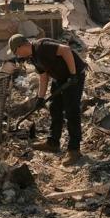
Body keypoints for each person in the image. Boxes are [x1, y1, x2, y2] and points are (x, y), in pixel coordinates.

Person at [8, 34, 87, 166]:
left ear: (22, 46)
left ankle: (74, 150)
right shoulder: (33, 57)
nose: (17, 55)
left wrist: (73, 74)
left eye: (16, 51)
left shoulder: (42, 46)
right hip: (60, 77)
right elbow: (43, 77)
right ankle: (53, 142)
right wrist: (40, 98)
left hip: (75, 76)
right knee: (55, 107)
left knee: (71, 111)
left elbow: (66, 50)